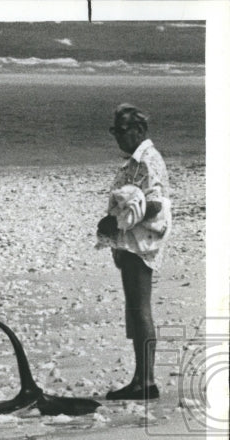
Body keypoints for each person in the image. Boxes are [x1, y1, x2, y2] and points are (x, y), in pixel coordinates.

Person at [96, 104, 172, 400]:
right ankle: (142, 379)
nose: (118, 137)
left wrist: (119, 220)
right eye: (115, 131)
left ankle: (146, 381)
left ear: (140, 130)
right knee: (136, 309)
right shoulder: (138, 159)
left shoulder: (146, 161)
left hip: (140, 242)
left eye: (123, 130)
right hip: (134, 239)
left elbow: (155, 203)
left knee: (140, 309)